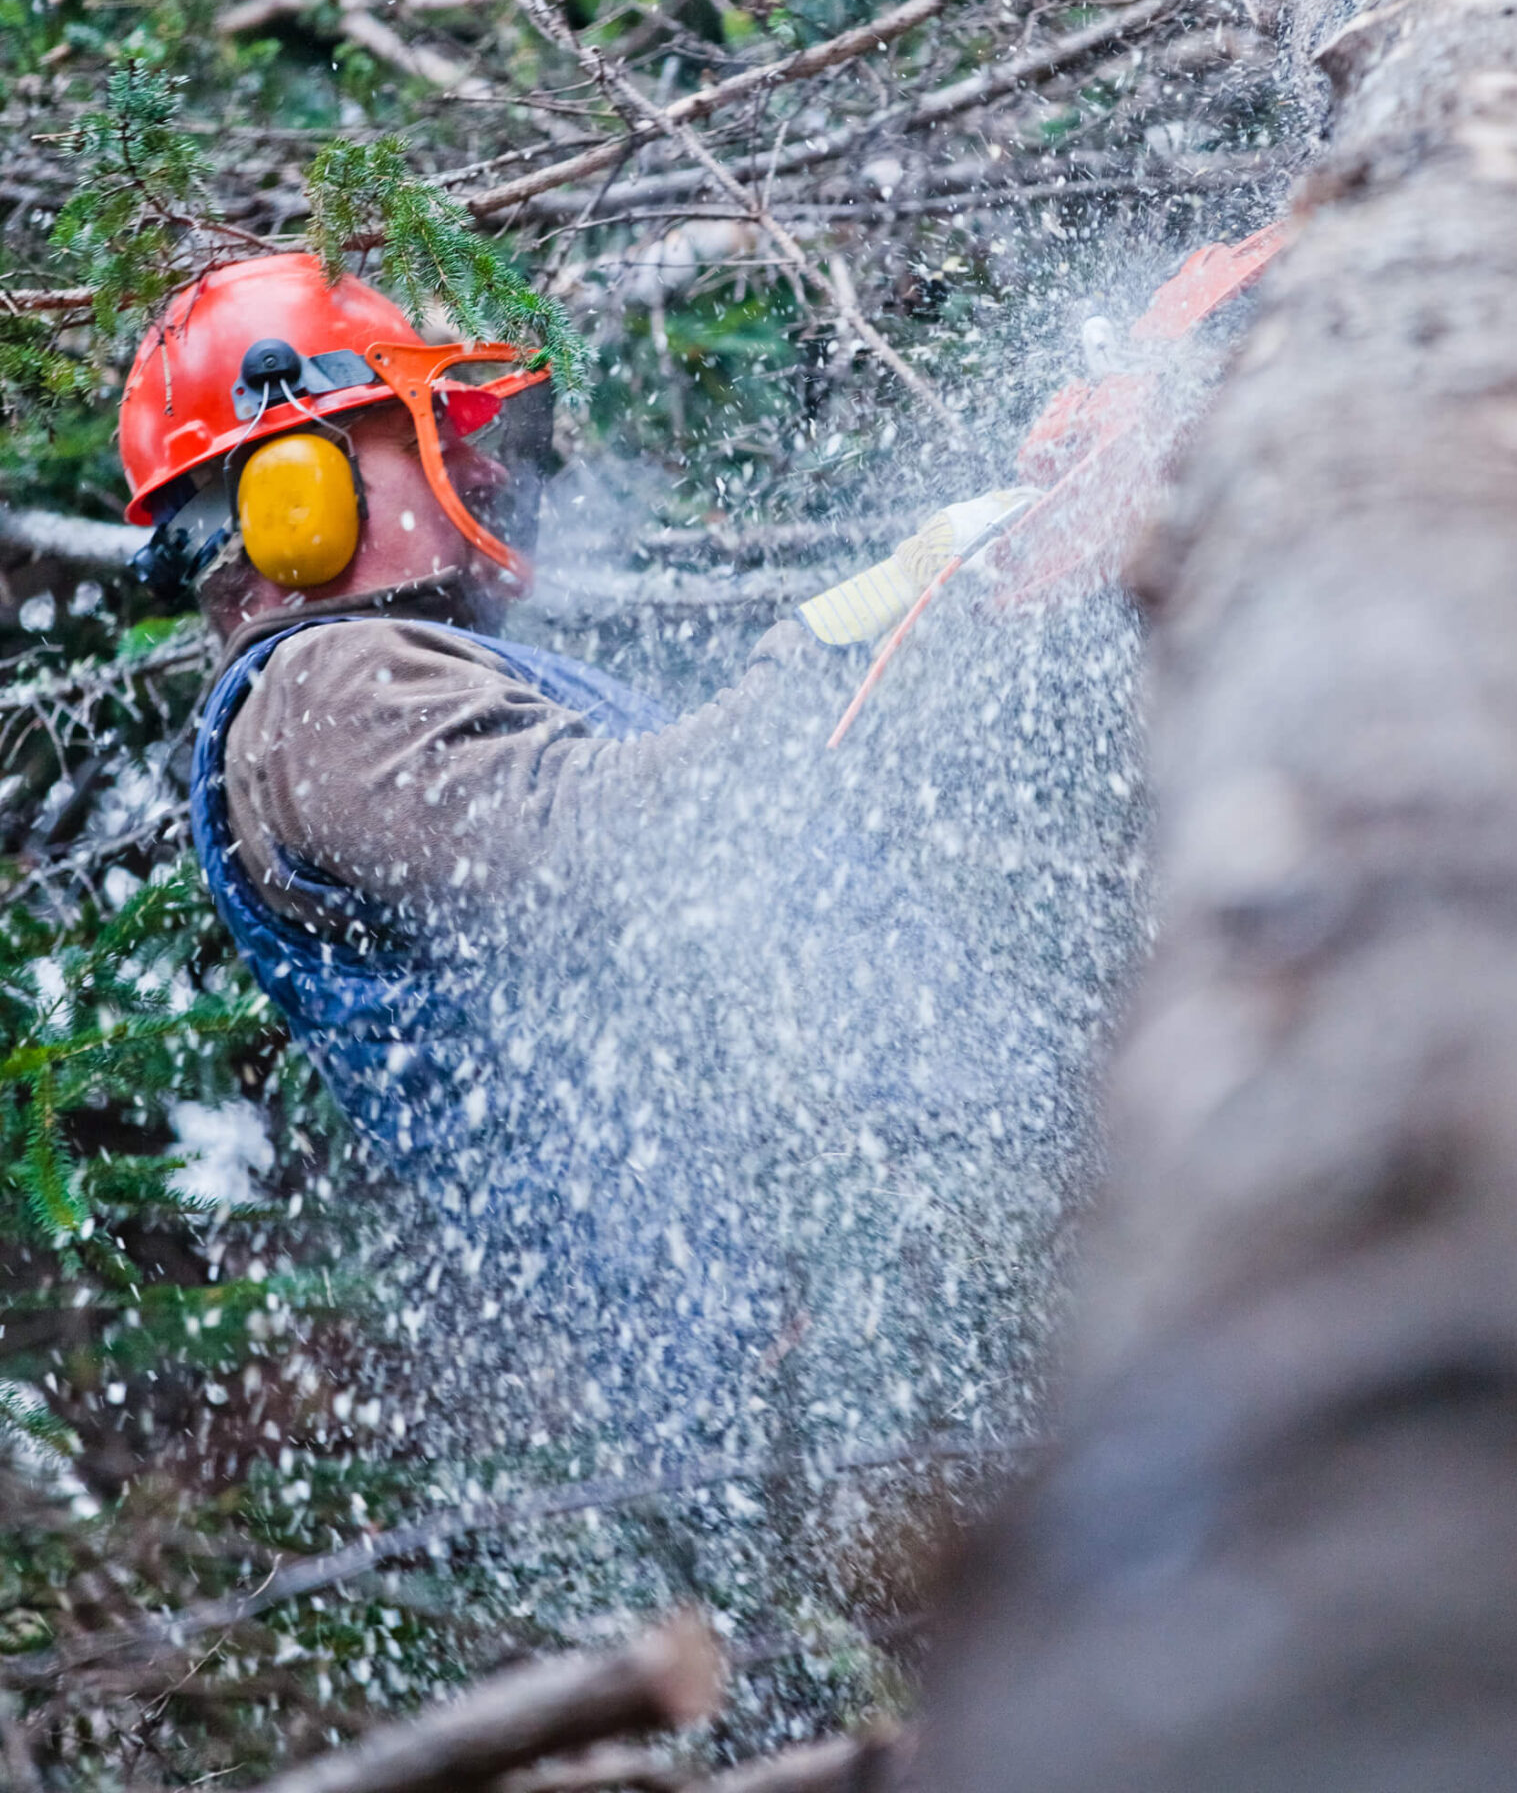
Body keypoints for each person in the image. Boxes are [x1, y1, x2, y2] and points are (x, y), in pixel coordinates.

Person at [121, 253, 1066, 1438]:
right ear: (292, 497)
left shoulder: (381, 688)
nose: (486, 466)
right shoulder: (329, 695)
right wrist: (872, 615)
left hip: (861, 1297)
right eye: (431, 439)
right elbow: (642, 845)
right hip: (823, 1343)